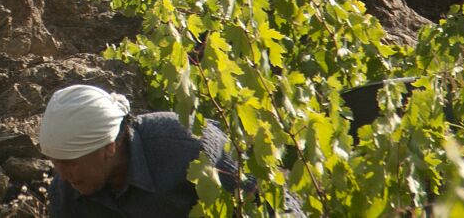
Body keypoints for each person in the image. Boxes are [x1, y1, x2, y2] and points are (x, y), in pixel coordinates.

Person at [39, 84, 296, 217]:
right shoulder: (66, 195)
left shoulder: (189, 147)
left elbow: (269, 204)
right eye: (55, 162)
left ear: (109, 147)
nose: (62, 174)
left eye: (70, 163)